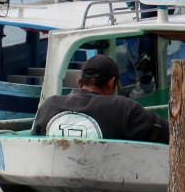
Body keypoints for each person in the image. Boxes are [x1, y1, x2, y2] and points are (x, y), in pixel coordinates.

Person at [32, 54, 170, 143]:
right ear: (111, 83)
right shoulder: (123, 108)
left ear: (79, 82)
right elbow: (168, 133)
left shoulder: (49, 105)